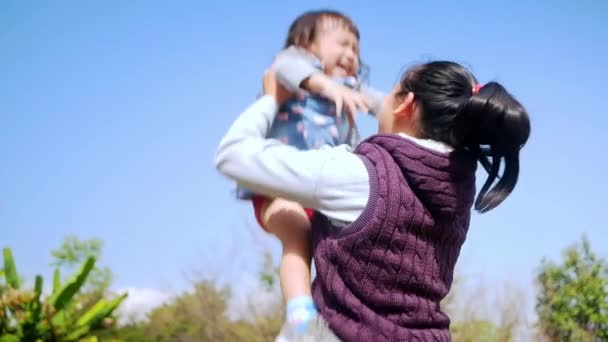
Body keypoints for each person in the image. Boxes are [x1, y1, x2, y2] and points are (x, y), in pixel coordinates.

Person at [215, 60, 530, 341]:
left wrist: (271, 98)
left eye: (390, 94)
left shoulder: (359, 177)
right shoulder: (458, 189)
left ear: (405, 103)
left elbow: (232, 156)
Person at [233, 9, 383, 334]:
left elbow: (384, 105)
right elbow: (284, 68)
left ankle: (342, 310)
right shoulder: (294, 74)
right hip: (280, 190)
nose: (350, 55)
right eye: (342, 44)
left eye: (356, 49)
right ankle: (299, 311)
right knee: (296, 232)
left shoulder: (352, 87)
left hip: (324, 194)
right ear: (305, 45)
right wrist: (325, 86)